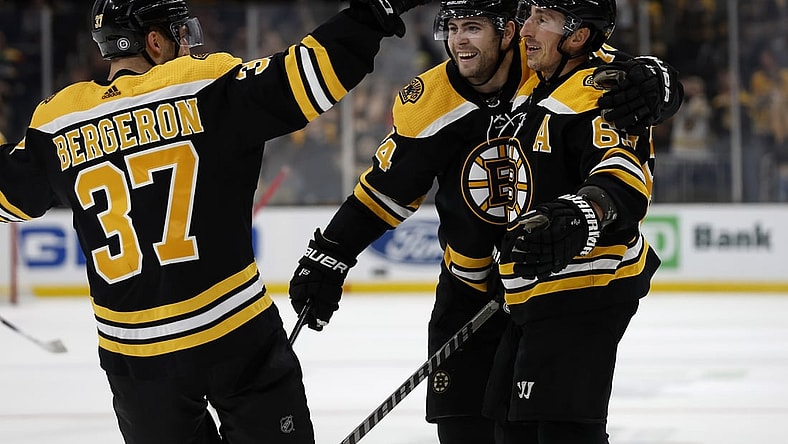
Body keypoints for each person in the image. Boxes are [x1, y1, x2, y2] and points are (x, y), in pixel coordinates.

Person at [0, 0, 431, 442]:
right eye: (178, 34)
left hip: (135, 361)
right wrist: (372, 11)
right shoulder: (203, 83)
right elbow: (311, 72)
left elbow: (6, 195)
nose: (187, 44)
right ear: (154, 41)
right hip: (234, 335)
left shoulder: (56, 122)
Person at [287, 1, 682, 443]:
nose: (459, 41)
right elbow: (383, 191)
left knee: (548, 427)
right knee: (466, 427)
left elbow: (616, 89)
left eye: (472, 28)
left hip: (554, 275)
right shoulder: (431, 100)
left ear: (508, 32)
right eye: (452, 28)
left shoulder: (545, 65)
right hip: (472, 284)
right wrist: (331, 254)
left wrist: (660, 84)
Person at [482, 0, 660, 442]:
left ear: (578, 36)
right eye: (530, 15)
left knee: (560, 433)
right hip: (535, 290)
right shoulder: (534, 85)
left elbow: (623, 171)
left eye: (543, 20)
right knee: (507, 426)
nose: (526, 29)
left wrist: (584, 213)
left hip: (585, 288)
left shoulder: (601, 90)